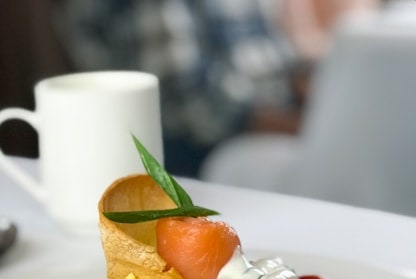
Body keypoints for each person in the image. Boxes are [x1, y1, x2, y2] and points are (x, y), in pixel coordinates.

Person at [52, 0, 302, 176]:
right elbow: (188, 98)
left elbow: (269, 55)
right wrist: (301, 129)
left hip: (269, 117)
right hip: (192, 148)